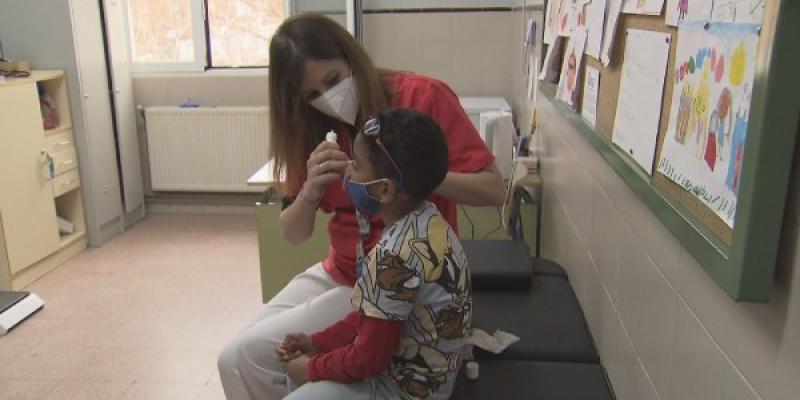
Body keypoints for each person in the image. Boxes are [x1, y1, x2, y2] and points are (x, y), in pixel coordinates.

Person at [217, 13, 503, 400]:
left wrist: (415, 173)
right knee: (235, 358)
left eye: (333, 81)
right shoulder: (313, 125)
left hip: (393, 282)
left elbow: (494, 189)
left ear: (351, 58)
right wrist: (311, 192)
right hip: (346, 269)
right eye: (311, 94)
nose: (328, 98)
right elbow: (294, 234)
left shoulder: (421, 99)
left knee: (269, 357)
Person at [277, 108, 471, 400]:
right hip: (438, 376)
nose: (348, 171)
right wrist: (317, 343)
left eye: (356, 164)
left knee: (297, 388)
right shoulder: (430, 221)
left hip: (404, 391)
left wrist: (311, 368)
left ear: (384, 190)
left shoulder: (392, 257)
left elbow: (368, 359)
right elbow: (372, 314)